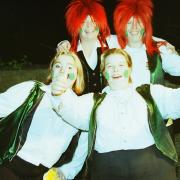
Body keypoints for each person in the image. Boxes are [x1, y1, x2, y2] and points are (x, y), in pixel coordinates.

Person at [52, 48, 180, 180]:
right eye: (109, 66)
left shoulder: (151, 93)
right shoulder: (92, 101)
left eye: (121, 65)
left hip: (154, 167)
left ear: (129, 69)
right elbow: (71, 110)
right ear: (103, 72)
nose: (116, 70)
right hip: (107, 170)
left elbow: (176, 101)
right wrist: (59, 94)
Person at [0, 51, 88, 180]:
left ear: (77, 75)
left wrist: (66, 171)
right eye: (58, 66)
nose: (63, 70)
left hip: (43, 174)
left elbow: (83, 147)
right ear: (51, 70)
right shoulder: (32, 90)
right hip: (10, 164)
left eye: (70, 67)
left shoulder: (81, 107)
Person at [113, 0, 180, 87]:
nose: (134, 28)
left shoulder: (160, 48)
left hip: (152, 100)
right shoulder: (112, 44)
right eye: (129, 23)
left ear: (146, 25)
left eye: (139, 22)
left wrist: (162, 43)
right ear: (121, 26)